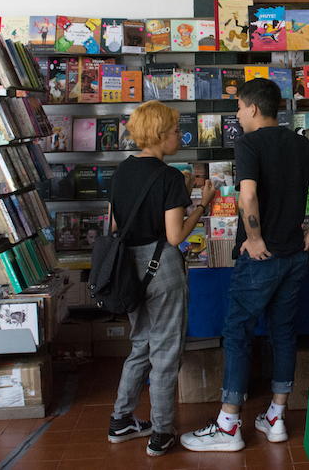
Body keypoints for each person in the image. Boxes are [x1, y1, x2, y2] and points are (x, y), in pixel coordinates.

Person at [181, 78, 309, 453]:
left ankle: (228, 425)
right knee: (283, 332)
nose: (237, 115)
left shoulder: (249, 144)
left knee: (237, 330)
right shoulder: (300, 143)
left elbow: (248, 195)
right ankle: (275, 417)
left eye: (238, 107)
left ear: (253, 108)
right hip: (294, 256)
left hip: (261, 258)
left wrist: (253, 239)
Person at [106, 100, 216, 456]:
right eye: (173, 131)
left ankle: (121, 419)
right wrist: (202, 204)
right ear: (158, 135)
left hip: (128, 269)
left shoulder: (120, 172)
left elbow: (114, 225)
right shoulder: (169, 178)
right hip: (162, 266)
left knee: (140, 344)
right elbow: (174, 236)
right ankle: (161, 431)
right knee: (166, 351)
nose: (179, 137)